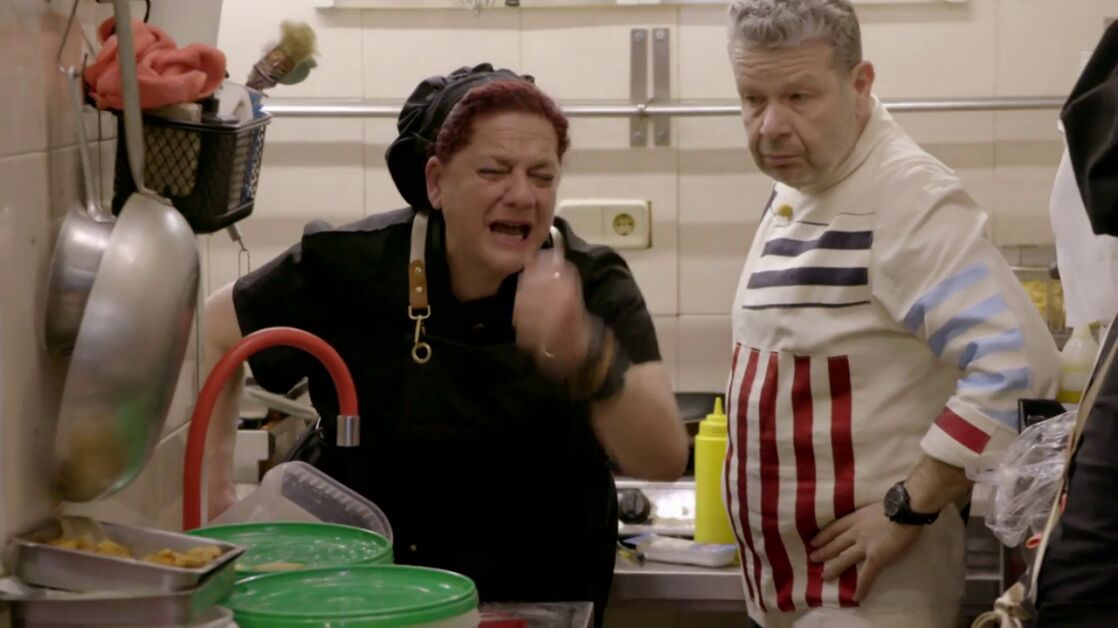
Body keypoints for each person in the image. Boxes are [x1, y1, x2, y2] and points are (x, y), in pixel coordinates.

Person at [199, 64, 687, 623]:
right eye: (493, 171)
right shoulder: (351, 264)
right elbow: (215, 330)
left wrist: (586, 353)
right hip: (370, 601)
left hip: (539, 595)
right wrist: (218, 494)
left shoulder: (591, 282)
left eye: (542, 175)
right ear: (436, 181)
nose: (521, 195)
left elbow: (664, 457)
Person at [720, 2, 1060, 626]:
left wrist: (908, 506)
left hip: (868, 597)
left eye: (799, 97)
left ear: (860, 84)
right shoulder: (805, 180)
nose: (770, 126)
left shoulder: (905, 195)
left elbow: (1019, 364)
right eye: (752, 98)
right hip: (795, 593)